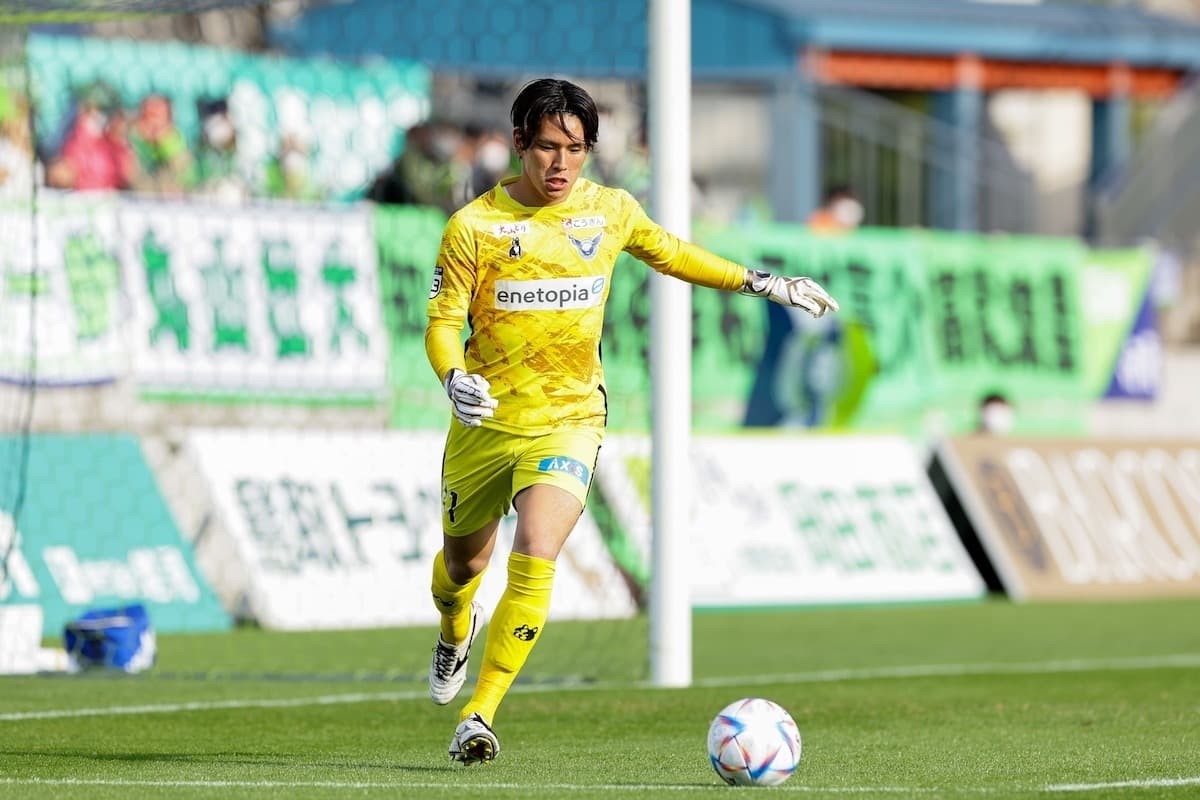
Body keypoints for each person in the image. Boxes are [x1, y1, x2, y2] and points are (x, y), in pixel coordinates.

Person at [423, 77, 838, 765]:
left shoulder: (608, 211)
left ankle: (480, 713)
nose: (561, 165)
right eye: (549, 148)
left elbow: (673, 253)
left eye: (577, 150)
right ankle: (453, 625)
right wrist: (453, 377)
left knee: (536, 553)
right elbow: (442, 323)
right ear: (520, 143)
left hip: (571, 419)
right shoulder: (475, 227)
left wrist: (763, 282)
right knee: (462, 569)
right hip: (487, 421)